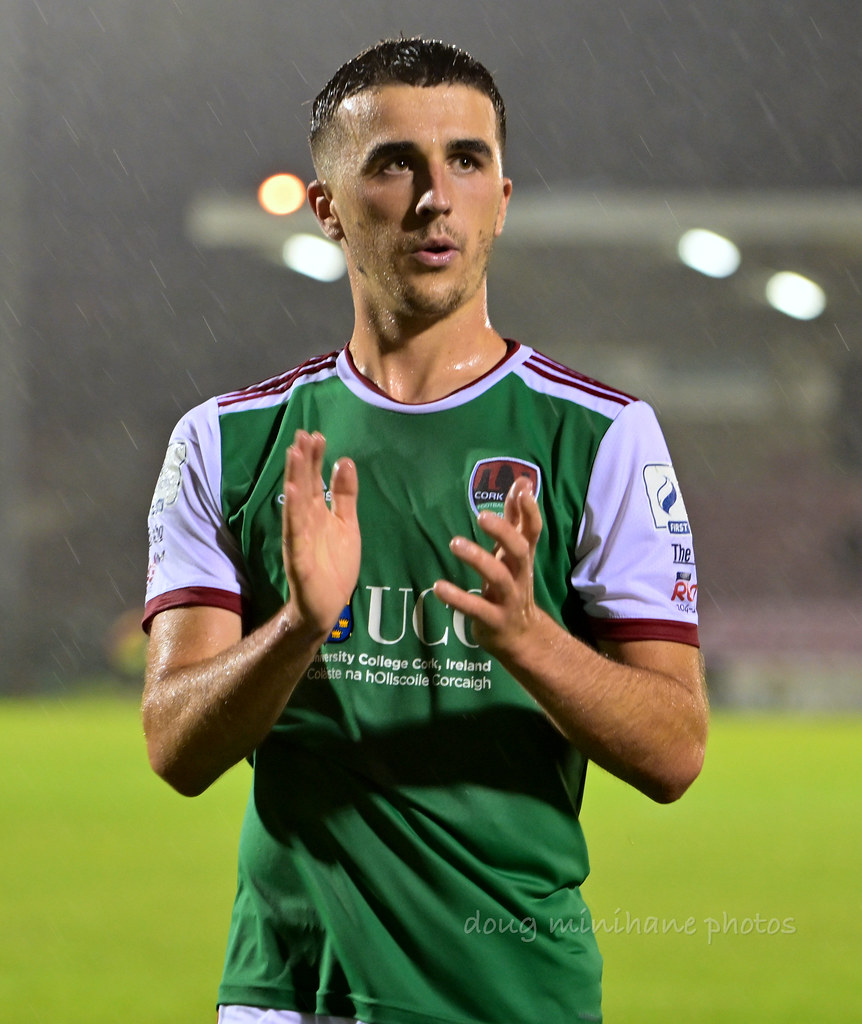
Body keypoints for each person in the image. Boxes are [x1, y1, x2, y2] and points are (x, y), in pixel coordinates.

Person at [142, 37, 708, 1024]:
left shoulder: (603, 437)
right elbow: (176, 748)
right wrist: (298, 627)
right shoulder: (226, 441)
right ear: (326, 208)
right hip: (289, 997)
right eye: (394, 163)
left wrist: (531, 641)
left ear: (501, 197)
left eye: (466, 161)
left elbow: (674, 751)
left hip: (513, 996)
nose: (434, 196)